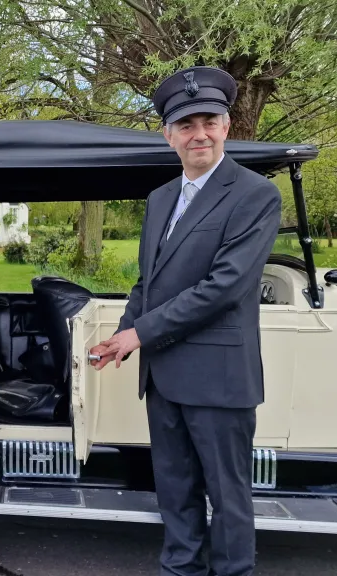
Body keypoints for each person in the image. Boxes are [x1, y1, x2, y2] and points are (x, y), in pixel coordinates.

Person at [90, 66, 282, 576]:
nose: (199, 133)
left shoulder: (255, 195)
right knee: (174, 489)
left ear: (226, 126)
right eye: (186, 124)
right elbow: (147, 283)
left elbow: (223, 288)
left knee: (228, 494)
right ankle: (180, 569)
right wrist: (122, 337)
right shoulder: (158, 200)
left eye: (210, 121)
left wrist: (141, 332)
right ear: (168, 134)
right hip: (164, 376)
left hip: (219, 379)